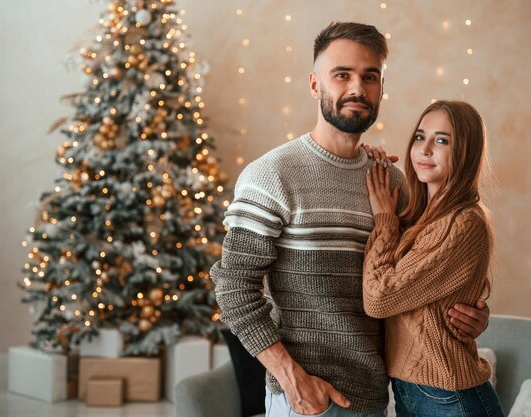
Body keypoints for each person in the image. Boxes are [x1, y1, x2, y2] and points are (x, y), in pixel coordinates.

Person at [210, 22, 490, 417]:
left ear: (380, 90)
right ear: (314, 85)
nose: (357, 88)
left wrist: (473, 311)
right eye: (342, 75)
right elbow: (234, 287)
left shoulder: (392, 182)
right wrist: (292, 379)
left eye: (369, 77)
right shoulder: (272, 175)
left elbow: (426, 271)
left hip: (376, 398)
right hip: (307, 401)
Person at [362, 100, 505, 416]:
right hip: (410, 392)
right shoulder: (417, 217)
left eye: (442, 140)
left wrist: (384, 220)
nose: (424, 149)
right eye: (419, 137)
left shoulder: (463, 222)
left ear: (464, 152)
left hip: (450, 397)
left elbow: (378, 298)